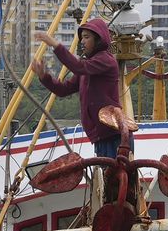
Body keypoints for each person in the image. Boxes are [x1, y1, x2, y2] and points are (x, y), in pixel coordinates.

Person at [30, 18, 129, 158]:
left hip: (113, 135)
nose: (82, 41)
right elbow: (63, 90)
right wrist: (43, 76)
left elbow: (78, 67)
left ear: (98, 40)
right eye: (82, 38)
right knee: (106, 174)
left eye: (87, 37)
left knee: (114, 175)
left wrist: (54, 44)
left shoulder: (106, 60)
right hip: (101, 136)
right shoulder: (88, 68)